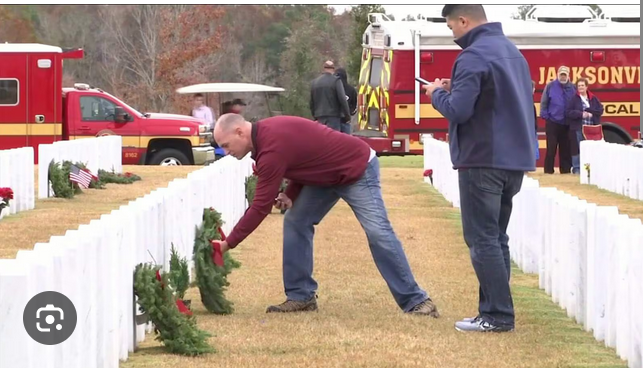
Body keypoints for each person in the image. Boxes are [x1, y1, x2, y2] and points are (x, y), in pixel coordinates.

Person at [212, 113, 439, 317]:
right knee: (296, 221)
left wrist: (228, 244)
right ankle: (301, 297)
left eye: (226, 145)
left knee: (377, 232)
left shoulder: (271, 146)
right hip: (325, 176)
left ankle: (417, 301)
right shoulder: (266, 137)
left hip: (356, 168)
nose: (226, 152)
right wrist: (291, 193)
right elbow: (306, 157)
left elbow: (260, 207)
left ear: (240, 132)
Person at [422, 5, 535, 333]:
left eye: (450, 26)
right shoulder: (512, 52)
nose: (452, 33)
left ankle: (498, 315)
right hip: (514, 158)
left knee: (482, 237)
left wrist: (437, 93)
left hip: (482, 157)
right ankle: (491, 309)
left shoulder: (472, 56)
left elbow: (459, 110)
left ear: (463, 20)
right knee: (496, 237)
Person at [540, 66, 576, 174]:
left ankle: (565, 170)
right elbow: (544, 102)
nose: (563, 77)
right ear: (558, 74)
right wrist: (546, 116)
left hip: (567, 123)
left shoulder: (573, 87)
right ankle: (548, 170)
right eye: (561, 74)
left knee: (565, 148)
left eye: (565, 75)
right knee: (551, 148)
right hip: (553, 122)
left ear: (568, 75)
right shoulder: (550, 86)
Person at [565, 78, 604, 174]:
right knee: (577, 148)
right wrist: (581, 114)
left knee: (590, 150)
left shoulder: (593, 98)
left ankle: (590, 169)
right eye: (579, 86)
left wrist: (590, 112)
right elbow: (568, 112)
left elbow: (600, 110)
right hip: (578, 128)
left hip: (591, 128)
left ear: (586, 87)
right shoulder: (573, 99)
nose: (581, 87)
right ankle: (577, 169)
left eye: (582, 85)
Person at [310, 60, 352, 132]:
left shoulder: (315, 82)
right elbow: (342, 99)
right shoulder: (336, 81)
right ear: (333, 69)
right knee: (333, 140)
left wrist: (315, 115)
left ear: (324, 69)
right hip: (333, 117)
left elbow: (311, 102)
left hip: (320, 117)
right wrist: (347, 116)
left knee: (321, 138)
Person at [335, 67, 358, 134]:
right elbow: (354, 106)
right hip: (341, 120)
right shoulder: (351, 89)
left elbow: (354, 105)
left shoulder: (350, 90)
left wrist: (349, 113)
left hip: (337, 120)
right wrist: (349, 113)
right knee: (345, 142)